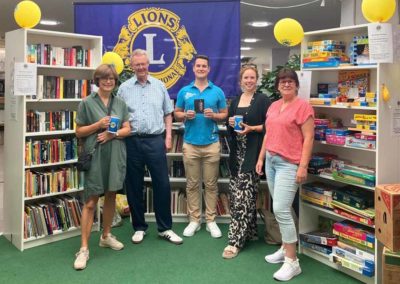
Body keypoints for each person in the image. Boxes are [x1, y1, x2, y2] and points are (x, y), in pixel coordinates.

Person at [117, 49, 183, 245]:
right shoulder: (124, 88)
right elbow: (119, 116)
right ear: (132, 66)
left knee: (162, 184)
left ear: (148, 64)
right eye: (137, 64)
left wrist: (169, 137)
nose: (141, 67)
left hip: (156, 140)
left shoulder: (159, 86)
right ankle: (139, 227)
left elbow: (168, 114)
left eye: (143, 64)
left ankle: (165, 228)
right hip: (132, 141)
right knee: (134, 185)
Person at [256, 68, 314, 281]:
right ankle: (284, 248)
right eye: (283, 82)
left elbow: (308, 139)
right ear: (278, 85)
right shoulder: (274, 106)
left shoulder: (303, 107)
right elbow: (268, 133)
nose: (286, 84)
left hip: (290, 164)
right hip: (271, 160)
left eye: (290, 81)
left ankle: (292, 261)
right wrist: (261, 158)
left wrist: (302, 166)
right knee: (283, 207)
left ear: (296, 85)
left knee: (280, 208)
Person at [73, 64, 131, 270]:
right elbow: (79, 132)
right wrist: (98, 125)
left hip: (115, 155)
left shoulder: (121, 103)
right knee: (90, 201)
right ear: (97, 81)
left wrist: (112, 134)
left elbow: (128, 128)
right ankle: (84, 248)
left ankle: (106, 236)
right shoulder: (87, 103)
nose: (108, 82)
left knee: (111, 196)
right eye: (104, 79)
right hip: (95, 155)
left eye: (112, 79)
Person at [174, 55, 228, 238]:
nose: (201, 68)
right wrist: (184, 115)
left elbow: (225, 114)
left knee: (212, 185)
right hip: (190, 144)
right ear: (193, 68)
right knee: (192, 184)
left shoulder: (217, 91)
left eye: (204, 66)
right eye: (198, 66)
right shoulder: (184, 91)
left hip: (212, 143)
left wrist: (214, 115)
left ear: (209, 69)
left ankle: (211, 221)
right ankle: (195, 220)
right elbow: (176, 113)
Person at [222, 65, 271, 259]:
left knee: (242, 199)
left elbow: (270, 125)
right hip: (236, 155)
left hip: (253, 155)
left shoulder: (263, 100)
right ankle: (250, 233)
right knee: (239, 197)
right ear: (240, 80)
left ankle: (234, 242)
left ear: (257, 79)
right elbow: (229, 124)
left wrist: (252, 128)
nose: (249, 81)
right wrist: (232, 123)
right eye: (246, 78)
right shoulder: (235, 101)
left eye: (252, 77)